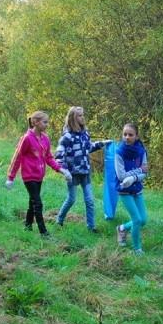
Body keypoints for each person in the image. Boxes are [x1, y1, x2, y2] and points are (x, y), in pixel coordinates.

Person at [6, 111, 71, 238]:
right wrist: (11, 177)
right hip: (29, 176)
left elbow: (49, 158)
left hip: (39, 175)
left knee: (32, 202)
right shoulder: (26, 138)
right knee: (38, 203)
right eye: (45, 122)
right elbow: (17, 157)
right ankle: (43, 232)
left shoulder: (45, 138)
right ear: (36, 122)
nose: (47, 125)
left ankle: (28, 225)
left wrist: (61, 170)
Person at [53, 106, 112, 232]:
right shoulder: (67, 137)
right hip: (72, 173)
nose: (82, 117)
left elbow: (88, 148)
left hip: (85, 172)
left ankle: (91, 226)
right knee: (71, 199)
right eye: (79, 115)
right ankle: (59, 220)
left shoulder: (85, 134)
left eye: (82, 115)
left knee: (90, 201)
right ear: (73, 118)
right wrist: (64, 170)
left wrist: (102, 143)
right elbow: (59, 154)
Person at [115, 123, 149, 255]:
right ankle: (137, 249)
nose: (127, 137)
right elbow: (121, 176)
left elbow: (146, 172)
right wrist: (139, 171)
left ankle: (122, 228)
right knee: (136, 219)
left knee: (143, 220)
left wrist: (134, 177)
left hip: (136, 189)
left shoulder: (141, 151)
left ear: (137, 136)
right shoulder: (119, 153)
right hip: (124, 190)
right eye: (125, 134)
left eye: (130, 135)